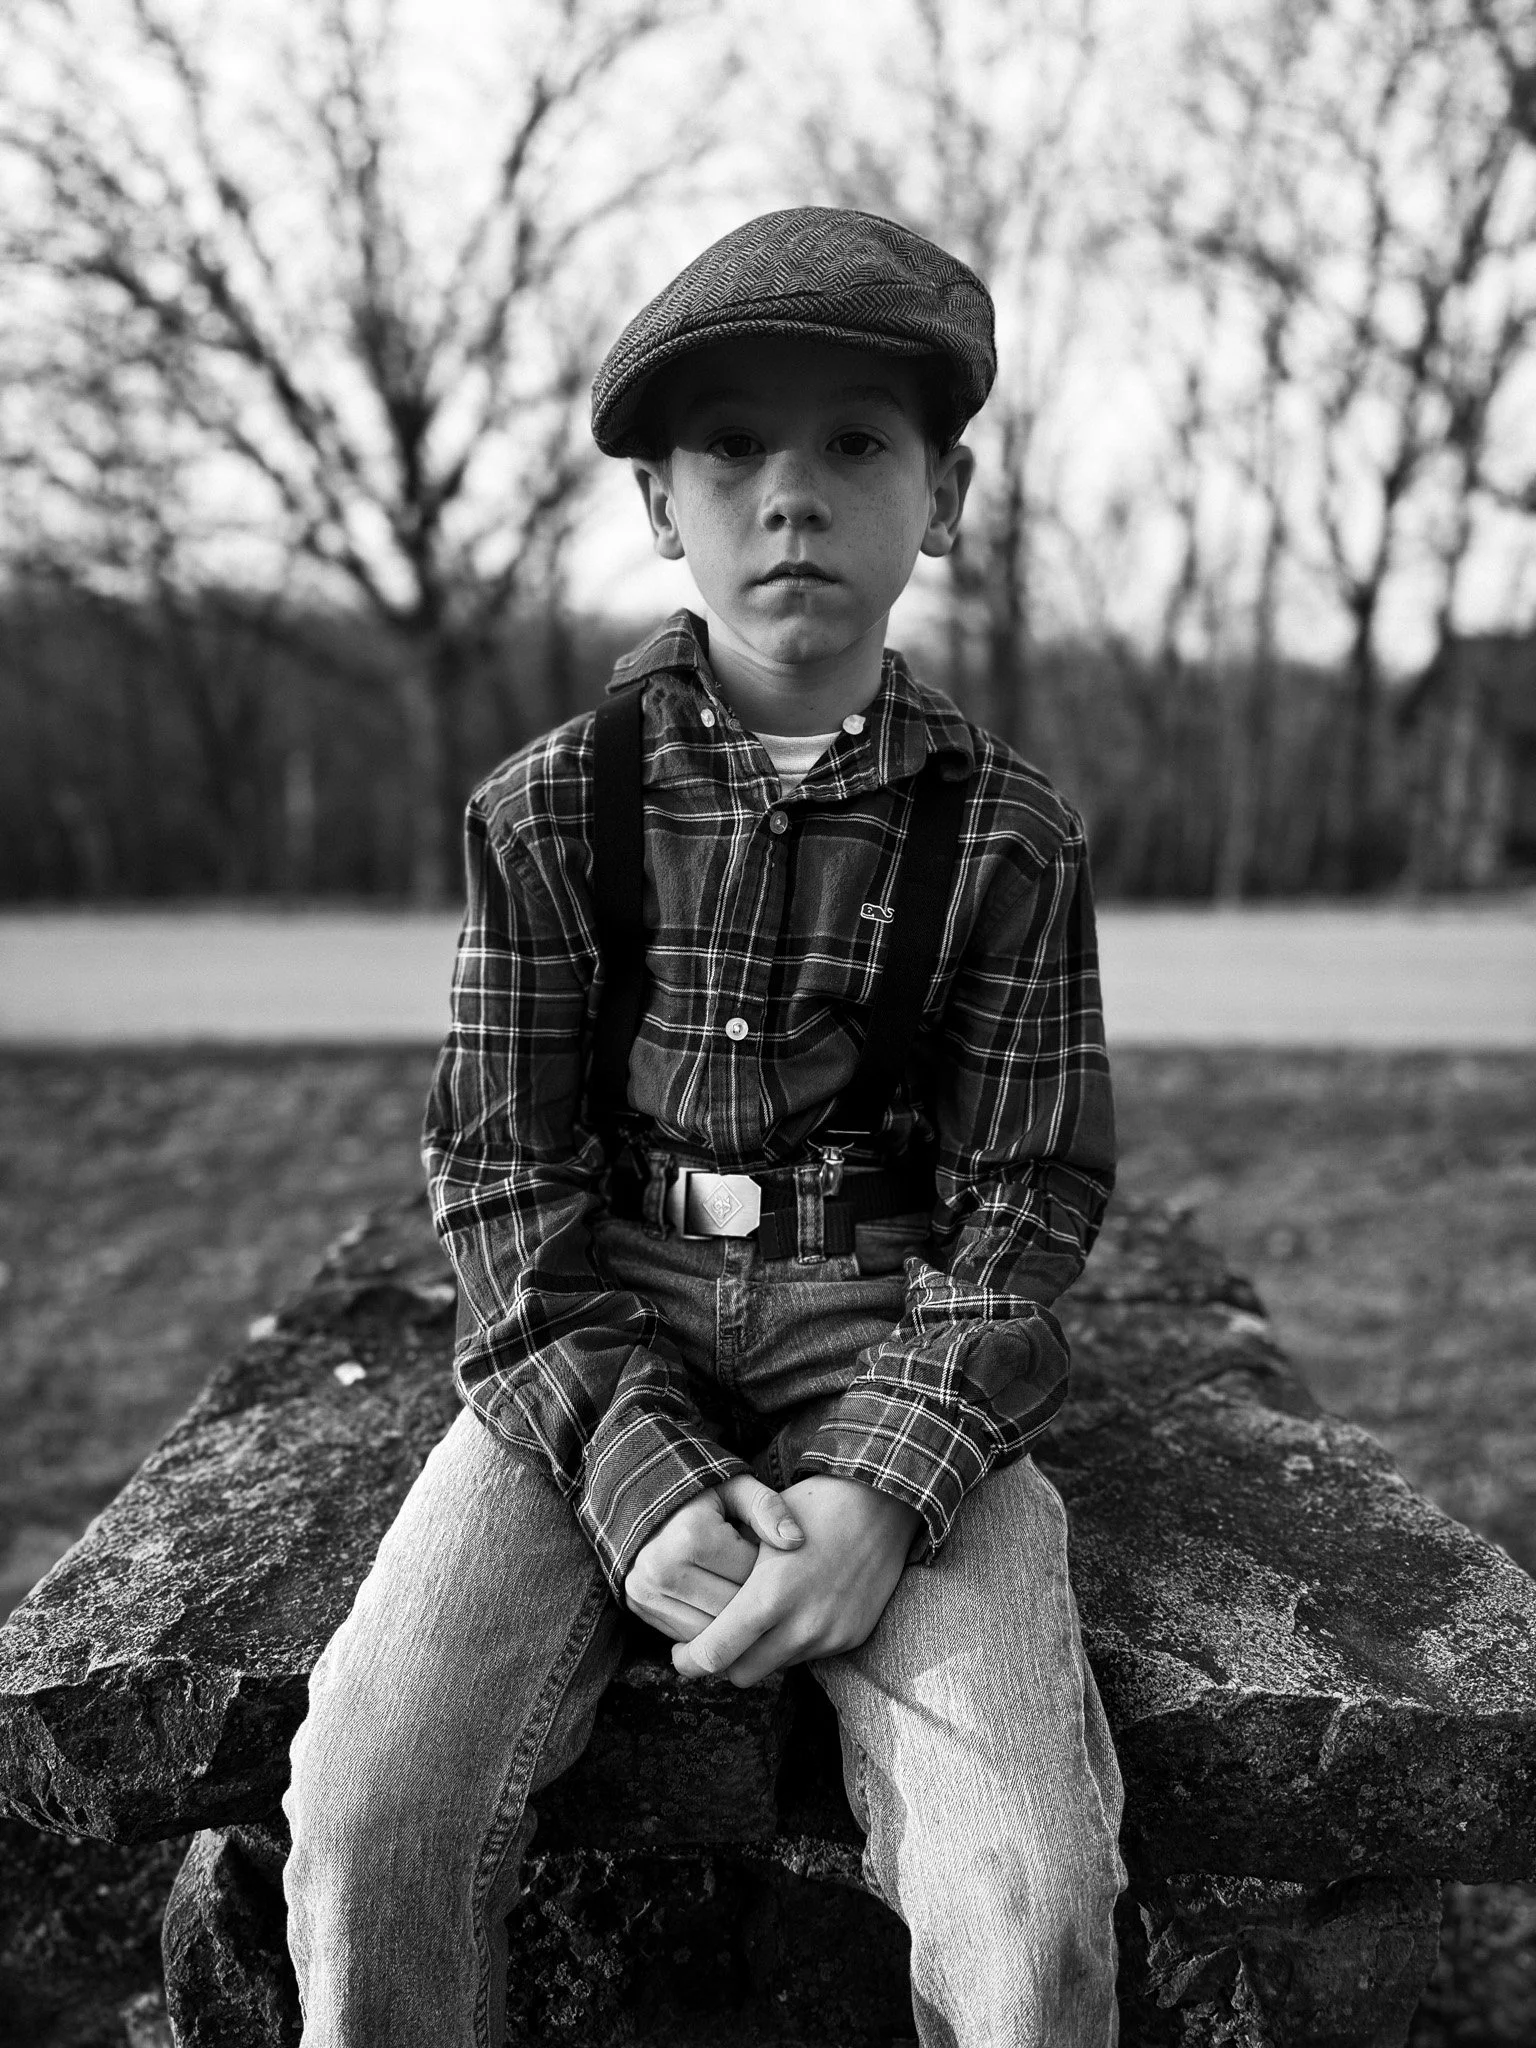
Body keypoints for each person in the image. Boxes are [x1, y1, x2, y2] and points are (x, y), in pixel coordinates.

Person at [283, 205, 1126, 2047]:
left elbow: (1025, 1193)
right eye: (733, 448)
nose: (793, 495)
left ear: (945, 495)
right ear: (664, 504)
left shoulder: (1009, 832)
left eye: (855, 445)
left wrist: (887, 1483)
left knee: (1030, 1886)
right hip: (607, 1316)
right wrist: (632, 1465)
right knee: (367, 1806)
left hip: (884, 1320)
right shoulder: (551, 808)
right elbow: (502, 1172)